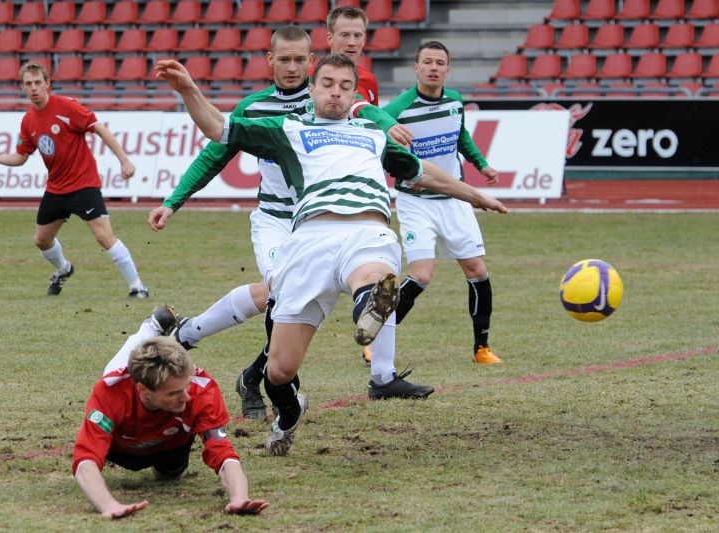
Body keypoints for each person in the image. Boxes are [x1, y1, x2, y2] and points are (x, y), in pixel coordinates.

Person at [154, 53, 508, 456]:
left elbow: (421, 173)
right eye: (327, 84)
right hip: (308, 241)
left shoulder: (372, 134)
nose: (335, 93)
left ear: (355, 94)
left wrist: (475, 194)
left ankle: (372, 305)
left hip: (367, 230)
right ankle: (289, 412)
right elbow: (220, 129)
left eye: (344, 86)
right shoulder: (287, 128)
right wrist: (189, 90)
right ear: (312, 88)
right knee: (279, 371)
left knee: (373, 272)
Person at [147, 26, 424, 420]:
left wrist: (388, 126)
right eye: (285, 59)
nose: (292, 67)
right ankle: (244, 366)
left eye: (300, 60)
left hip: (325, 221)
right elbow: (215, 153)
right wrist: (173, 202)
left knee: (338, 283)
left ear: (311, 64)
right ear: (270, 60)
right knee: (278, 292)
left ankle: (242, 362)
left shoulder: (334, 100)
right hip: (278, 220)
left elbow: (371, 113)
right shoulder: (255, 108)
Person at [72, 305, 269, 518]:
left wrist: (239, 498)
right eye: (174, 393)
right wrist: (108, 505)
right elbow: (85, 460)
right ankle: (149, 329)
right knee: (115, 371)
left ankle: (156, 336)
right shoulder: (111, 392)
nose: (186, 397)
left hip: (172, 446)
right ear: (144, 391)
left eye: (185, 387)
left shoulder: (200, 390)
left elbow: (223, 453)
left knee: (170, 473)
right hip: (121, 448)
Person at [0, 61, 148, 298]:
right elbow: (21, 156)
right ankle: (64, 269)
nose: (34, 88)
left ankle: (138, 286)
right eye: (28, 84)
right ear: (23, 88)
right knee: (41, 240)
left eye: (38, 82)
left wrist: (124, 160)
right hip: (56, 188)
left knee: (103, 236)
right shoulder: (28, 121)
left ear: (48, 84)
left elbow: (98, 128)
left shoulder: (67, 107)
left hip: (83, 184)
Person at [381, 41, 503, 364]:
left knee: (477, 270)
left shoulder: (455, 101)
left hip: (454, 198)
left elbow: (461, 137)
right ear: (416, 68)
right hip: (415, 200)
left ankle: (482, 348)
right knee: (421, 274)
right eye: (427, 62)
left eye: (439, 63)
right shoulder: (396, 111)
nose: (433, 68)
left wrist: (482, 165)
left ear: (448, 70)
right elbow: (379, 146)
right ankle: (376, 340)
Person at [325, 6, 379, 104]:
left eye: (357, 36)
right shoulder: (310, 76)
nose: (352, 42)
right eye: (345, 35)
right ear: (330, 39)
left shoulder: (369, 81)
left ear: (363, 40)